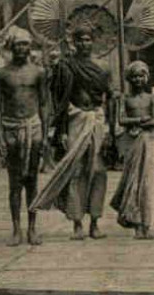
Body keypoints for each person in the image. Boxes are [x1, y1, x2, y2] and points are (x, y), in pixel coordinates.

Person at [30, 22, 113, 240]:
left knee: (98, 171)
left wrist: (111, 129)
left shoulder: (102, 66)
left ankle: (95, 222)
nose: (84, 44)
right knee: (76, 171)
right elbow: (61, 99)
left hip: (96, 118)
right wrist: (63, 131)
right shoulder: (67, 66)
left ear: (93, 42)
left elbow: (110, 97)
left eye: (88, 40)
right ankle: (77, 223)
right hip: (75, 118)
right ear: (73, 43)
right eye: (80, 40)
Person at [0, 26, 48, 246]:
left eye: (25, 44)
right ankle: (16, 228)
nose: (21, 48)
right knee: (14, 182)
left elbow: (44, 103)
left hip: (33, 126)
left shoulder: (38, 72)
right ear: (11, 47)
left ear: (30, 47)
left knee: (32, 180)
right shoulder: (2, 73)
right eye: (17, 44)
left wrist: (44, 134)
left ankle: (32, 228)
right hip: (11, 127)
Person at [110, 60, 154, 239]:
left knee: (146, 183)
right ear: (130, 79)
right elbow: (121, 119)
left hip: (148, 141)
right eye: (135, 76)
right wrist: (139, 121)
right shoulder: (125, 99)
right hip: (131, 142)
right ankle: (136, 224)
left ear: (146, 78)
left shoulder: (151, 98)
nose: (138, 80)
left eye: (141, 76)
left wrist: (140, 122)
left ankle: (146, 224)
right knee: (133, 181)